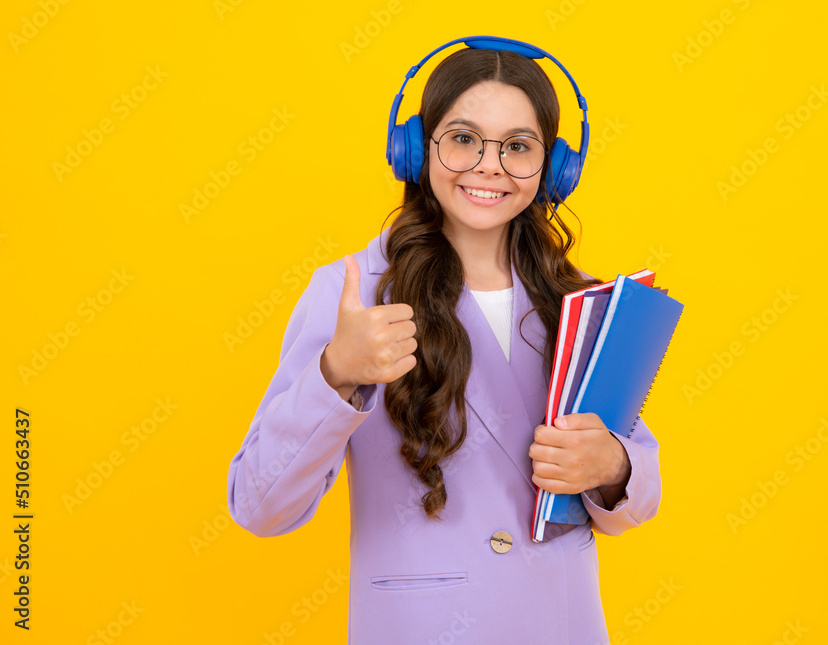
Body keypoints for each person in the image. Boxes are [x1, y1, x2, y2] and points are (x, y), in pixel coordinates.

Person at [227, 36, 662, 644]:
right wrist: (336, 374)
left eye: (517, 146)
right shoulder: (352, 293)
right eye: (462, 139)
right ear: (415, 150)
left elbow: (637, 499)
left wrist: (614, 467)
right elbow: (259, 505)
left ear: (555, 165)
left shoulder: (585, 304)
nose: (489, 165)